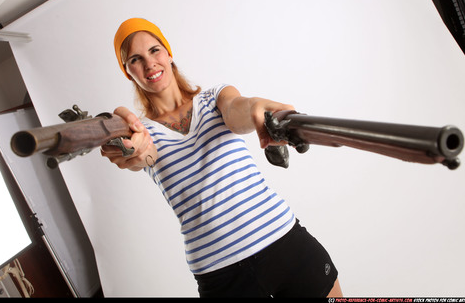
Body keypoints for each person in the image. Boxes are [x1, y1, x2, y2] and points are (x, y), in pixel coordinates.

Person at [101, 18, 342, 298]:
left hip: (285, 244)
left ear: (168, 52)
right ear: (128, 71)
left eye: (155, 50)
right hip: (222, 277)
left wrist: (256, 109)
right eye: (135, 59)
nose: (149, 63)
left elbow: (236, 110)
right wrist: (133, 149)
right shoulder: (142, 131)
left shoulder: (214, 98)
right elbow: (144, 155)